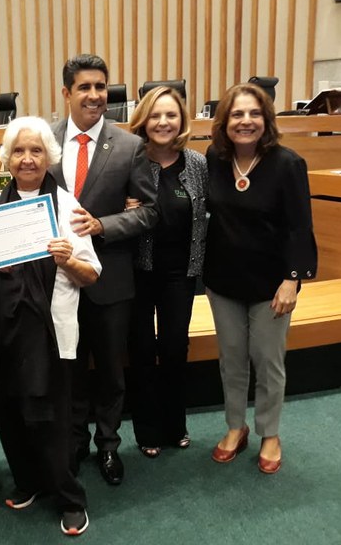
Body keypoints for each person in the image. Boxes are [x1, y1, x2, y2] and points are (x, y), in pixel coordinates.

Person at [0, 117, 101, 536]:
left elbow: (93, 275)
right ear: (7, 159)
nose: (27, 159)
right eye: (18, 151)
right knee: (10, 412)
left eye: (35, 151)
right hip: (3, 329)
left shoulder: (68, 206)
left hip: (50, 333)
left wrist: (66, 259)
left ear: (49, 156)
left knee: (51, 417)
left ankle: (69, 496)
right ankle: (28, 480)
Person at [49, 54, 158, 485]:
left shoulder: (130, 146)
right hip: (59, 280)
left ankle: (108, 445)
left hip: (111, 280)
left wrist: (103, 225)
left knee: (111, 370)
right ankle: (74, 442)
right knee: (69, 369)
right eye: (85, 87)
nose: (95, 96)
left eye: (101, 87)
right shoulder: (46, 139)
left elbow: (150, 211)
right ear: (66, 93)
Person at [204, 83, 317, 474]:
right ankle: (237, 426)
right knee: (232, 361)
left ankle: (270, 432)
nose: (245, 121)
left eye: (253, 114)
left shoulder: (288, 164)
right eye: (237, 114)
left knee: (268, 361)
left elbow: (300, 228)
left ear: (266, 120)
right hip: (224, 282)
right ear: (225, 121)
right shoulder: (215, 159)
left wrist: (292, 280)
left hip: (271, 285)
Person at [125, 86, 208, 458]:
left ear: (181, 120)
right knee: (142, 351)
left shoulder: (197, 163)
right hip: (138, 272)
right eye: (155, 115)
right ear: (144, 119)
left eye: (171, 115)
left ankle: (176, 425)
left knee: (175, 349)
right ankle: (147, 431)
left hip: (181, 273)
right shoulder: (131, 160)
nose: (163, 122)